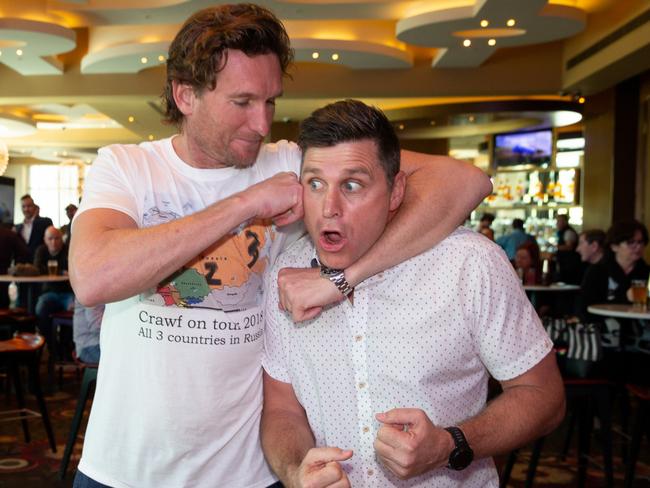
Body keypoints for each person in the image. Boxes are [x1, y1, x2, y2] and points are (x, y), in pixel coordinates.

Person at [69, 5, 491, 487]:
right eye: (243, 102)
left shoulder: (292, 163)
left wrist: (343, 278)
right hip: (123, 470)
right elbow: (93, 276)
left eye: (271, 101)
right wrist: (245, 203)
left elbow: (465, 179)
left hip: (249, 474)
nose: (262, 123)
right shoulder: (127, 167)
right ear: (185, 95)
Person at [261, 100, 564, 487]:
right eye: (315, 183)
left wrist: (449, 443)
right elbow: (283, 409)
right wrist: (295, 471)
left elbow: (544, 397)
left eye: (352, 185)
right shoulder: (286, 276)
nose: (329, 208)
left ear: (395, 190)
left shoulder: (468, 263)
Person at [34, 226, 74, 355]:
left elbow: (72, 267)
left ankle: (66, 347)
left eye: (57, 238)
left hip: (68, 293)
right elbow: (37, 269)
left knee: (76, 310)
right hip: (49, 293)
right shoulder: (41, 250)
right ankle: (52, 346)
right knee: (40, 308)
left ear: (61, 239)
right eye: (50, 238)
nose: (53, 242)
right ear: (45, 240)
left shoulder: (68, 250)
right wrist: (61, 271)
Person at [15, 194, 53, 260]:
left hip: (39, 263)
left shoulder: (45, 222)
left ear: (35, 207)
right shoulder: (17, 227)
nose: (26, 209)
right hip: (21, 265)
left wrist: (35, 218)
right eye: (23, 206)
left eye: (29, 206)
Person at [0, 223, 30, 308]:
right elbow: (24, 252)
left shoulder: (7, 234)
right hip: (3, 275)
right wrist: (15, 268)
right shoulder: (9, 234)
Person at [72, 297, 103, 364]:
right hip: (89, 347)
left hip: (96, 344)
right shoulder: (93, 291)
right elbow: (96, 326)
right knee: (123, 361)